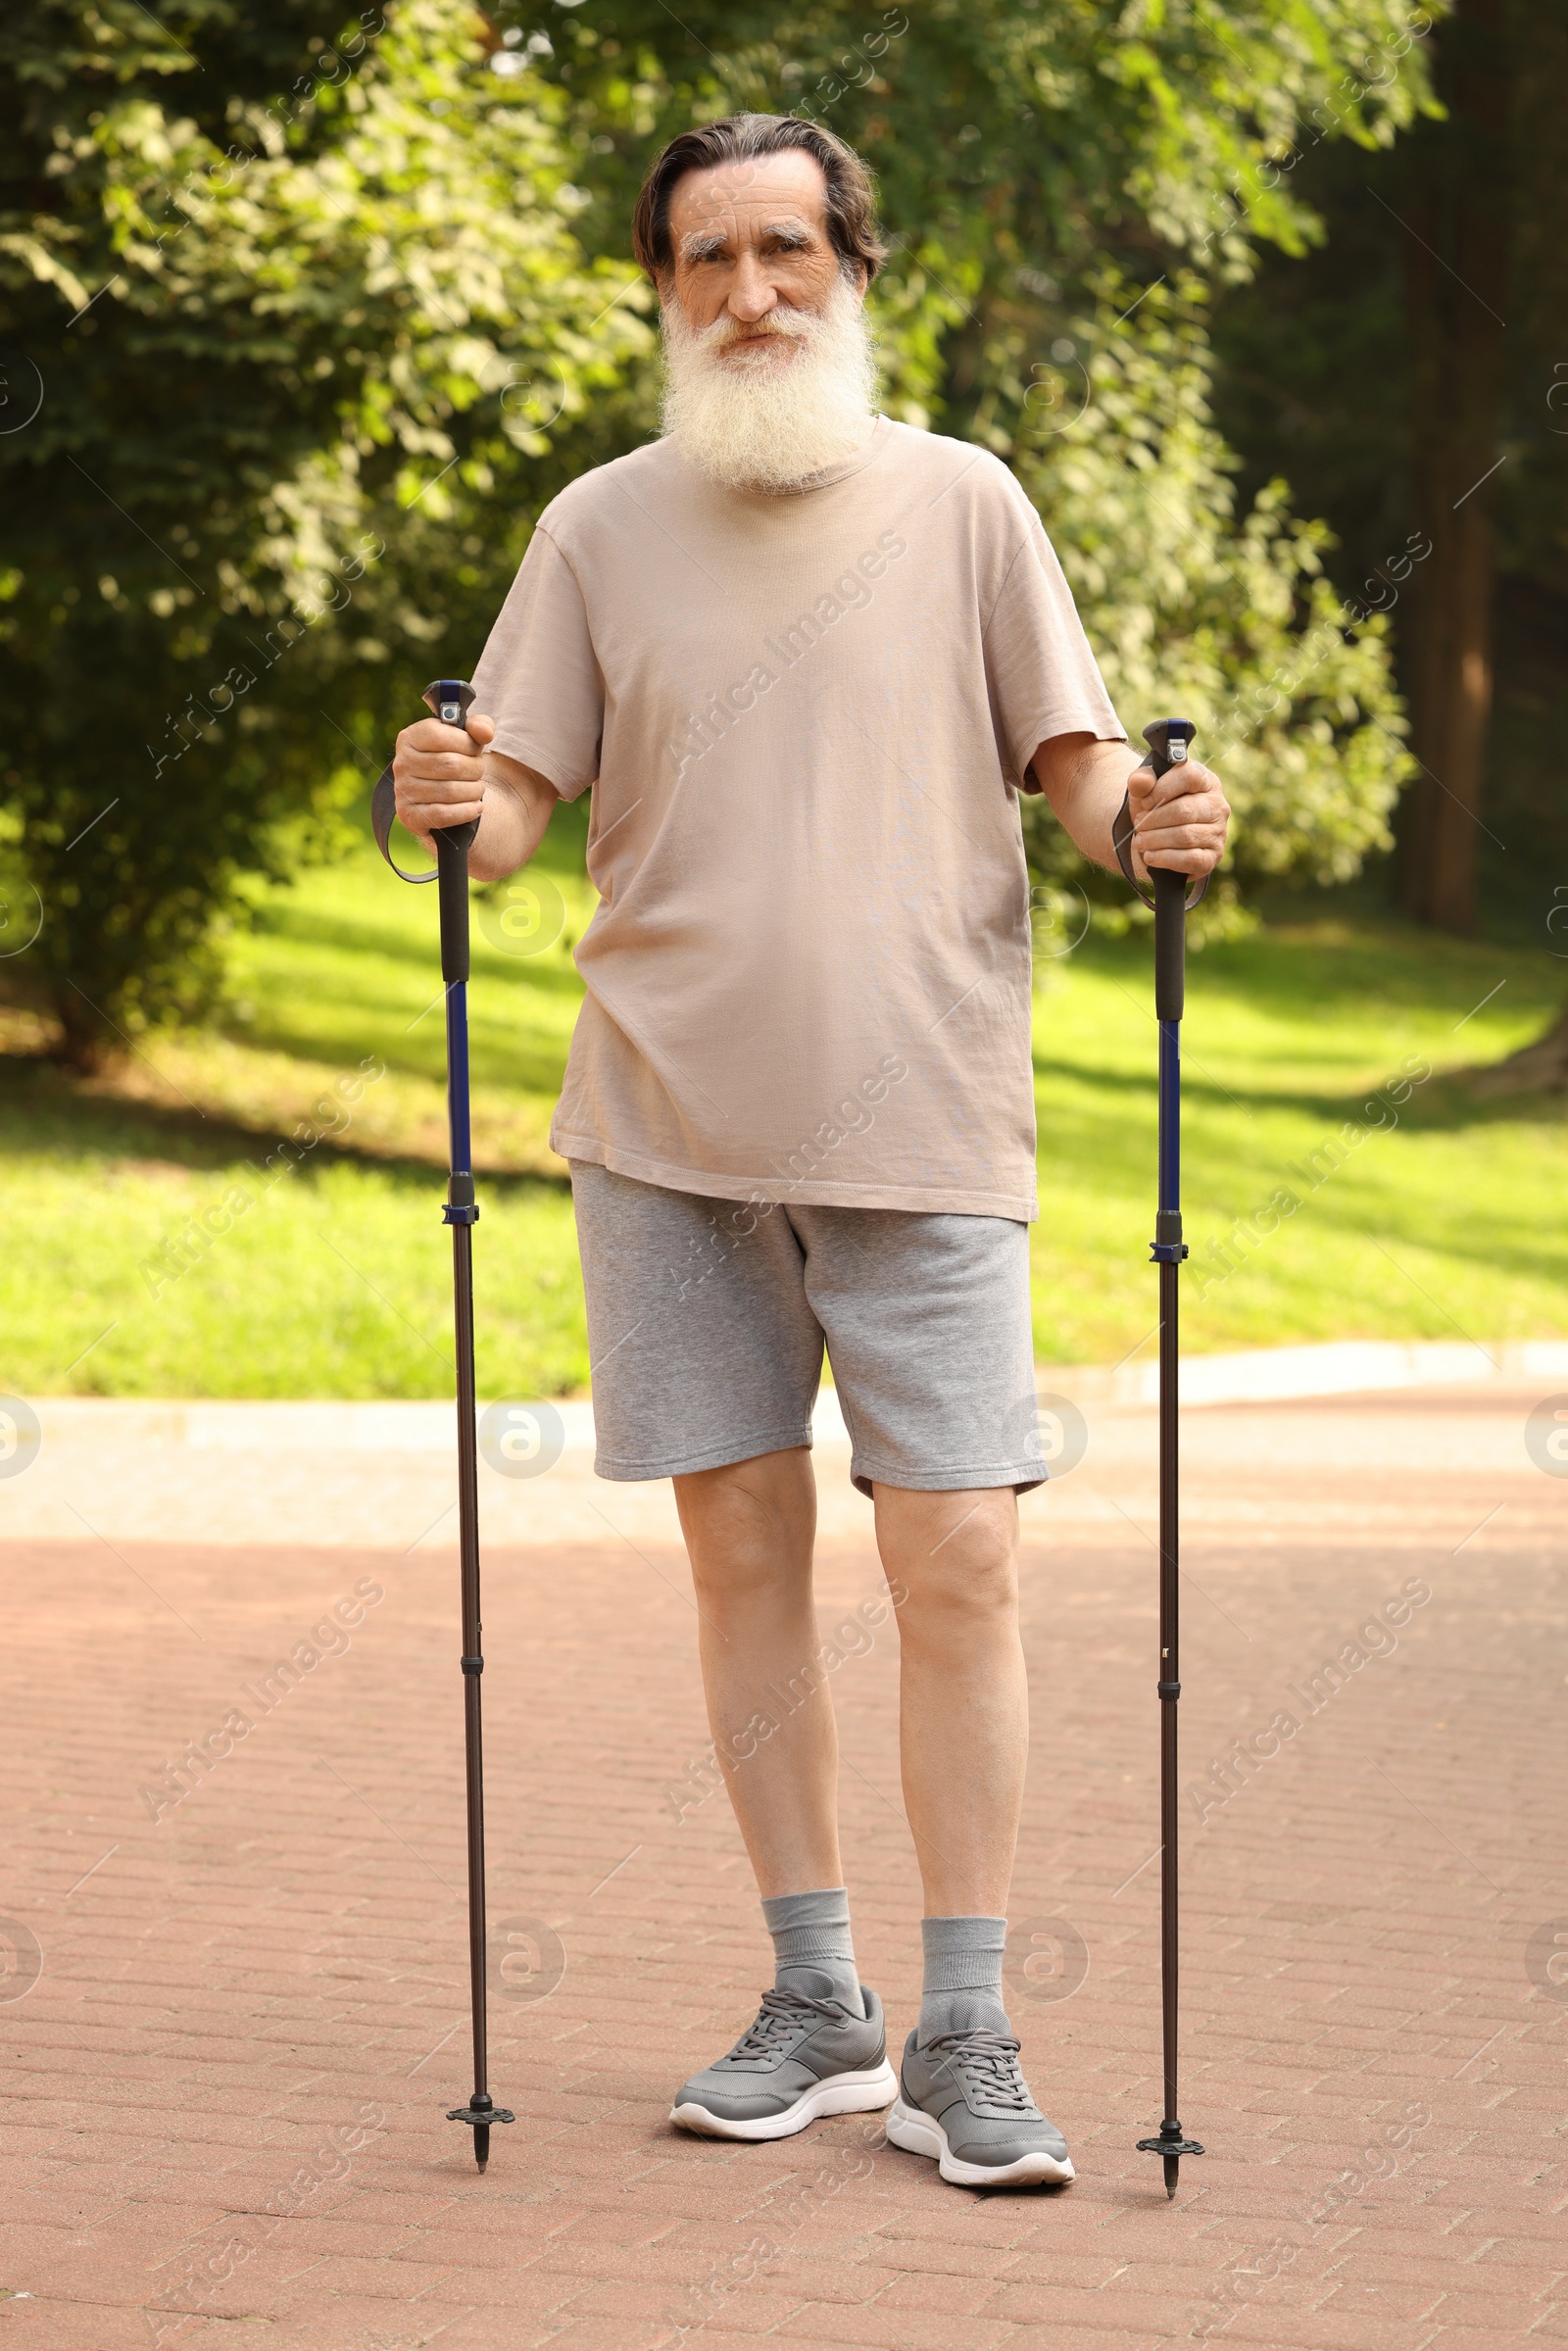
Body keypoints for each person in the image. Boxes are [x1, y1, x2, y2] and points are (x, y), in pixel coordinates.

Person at [393, 112, 1230, 2190]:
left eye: (784, 250)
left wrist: (1152, 824)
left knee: (957, 1552)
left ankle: (966, 2024)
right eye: (704, 260)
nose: (746, 292)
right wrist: (439, 792)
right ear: (662, 290)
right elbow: (505, 815)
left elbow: (1075, 772)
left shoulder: (963, 506)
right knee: (739, 1554)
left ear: (856, 267)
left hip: (925, 1116)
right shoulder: (594, 527)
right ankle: (817, 2001)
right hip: (666, 1127)